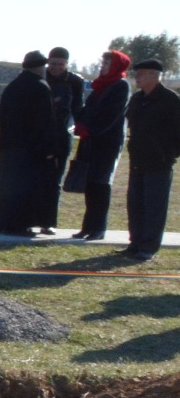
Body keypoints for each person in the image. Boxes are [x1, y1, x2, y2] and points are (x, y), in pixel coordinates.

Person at [0, 51, 62, 237]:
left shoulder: (13, 86)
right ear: (40, 67)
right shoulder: (40, 86)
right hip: (32, 150)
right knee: (28, 188)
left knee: (6, 186)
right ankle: (21, 224)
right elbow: (45, 121)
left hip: (9, 148)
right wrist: (50, 148)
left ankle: (2, 222)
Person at [64, 49, 129, 240]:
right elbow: (87, 109)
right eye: (103, 63)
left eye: (108, 63)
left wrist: (90, 129)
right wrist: (80, 123)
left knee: (101, 183)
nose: (103, 66)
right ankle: (88, 227)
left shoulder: (120, 86)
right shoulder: (101, 86)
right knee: (90, 183)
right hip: (90, 140)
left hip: (107, 143)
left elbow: (111, 115)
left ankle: (99, 228)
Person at [124, 58, 180, 261]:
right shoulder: (137, 99)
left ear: (154, 76)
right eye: (136, 73)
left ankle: (149, 246)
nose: (137, 77)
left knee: (154, 206)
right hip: (137, 159)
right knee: (135, 204)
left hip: (159, 162)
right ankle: (135, 243)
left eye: (142, 73)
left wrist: (169, 154)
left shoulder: (170, 100)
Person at [36, 46, 86, 232]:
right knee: (36, 178)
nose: (56, 67)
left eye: (61, 64)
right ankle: (30, 218)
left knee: (54, 180)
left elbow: (78, 108)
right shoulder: (40, 78)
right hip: (41, 135)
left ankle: (47, 222)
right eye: (53, 63)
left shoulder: (75, 81)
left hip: (63, 135)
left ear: (67, 64)